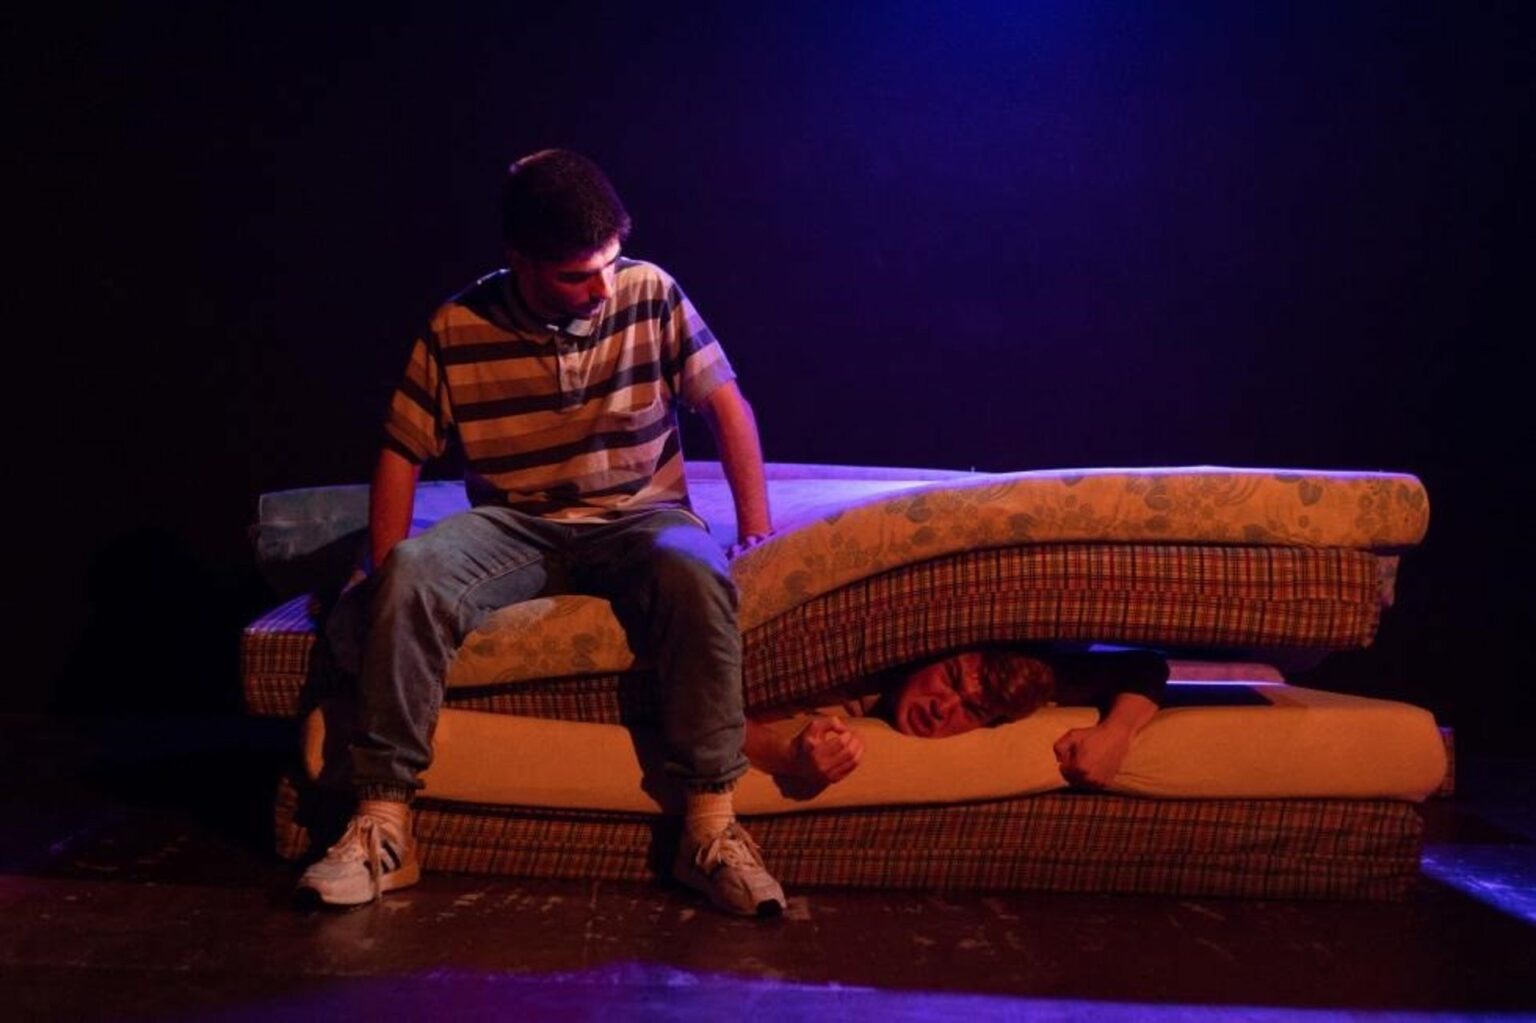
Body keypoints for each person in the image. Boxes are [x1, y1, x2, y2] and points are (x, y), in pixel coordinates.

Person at [299, 150, 785, 917]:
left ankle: (711, 830)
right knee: (414, 571)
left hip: (640, 516)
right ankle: (384, 825)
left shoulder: (651, 292)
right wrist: (384, 568)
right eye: (575, 275)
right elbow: (400, 447)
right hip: (515, 525)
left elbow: (727, 405)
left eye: (609, 264)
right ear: (519, 260)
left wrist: (757, 531)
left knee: (693, 570)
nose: (601, 288)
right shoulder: (457, 325)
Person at [744, 647, 1168, 791]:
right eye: (948, 679)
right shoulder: (845, 675)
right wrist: (786, 757)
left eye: (973, 710)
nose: (942, 708)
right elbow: (714, 709)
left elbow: (1145, 667)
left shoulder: (1026, 678)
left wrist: (1116, 733)